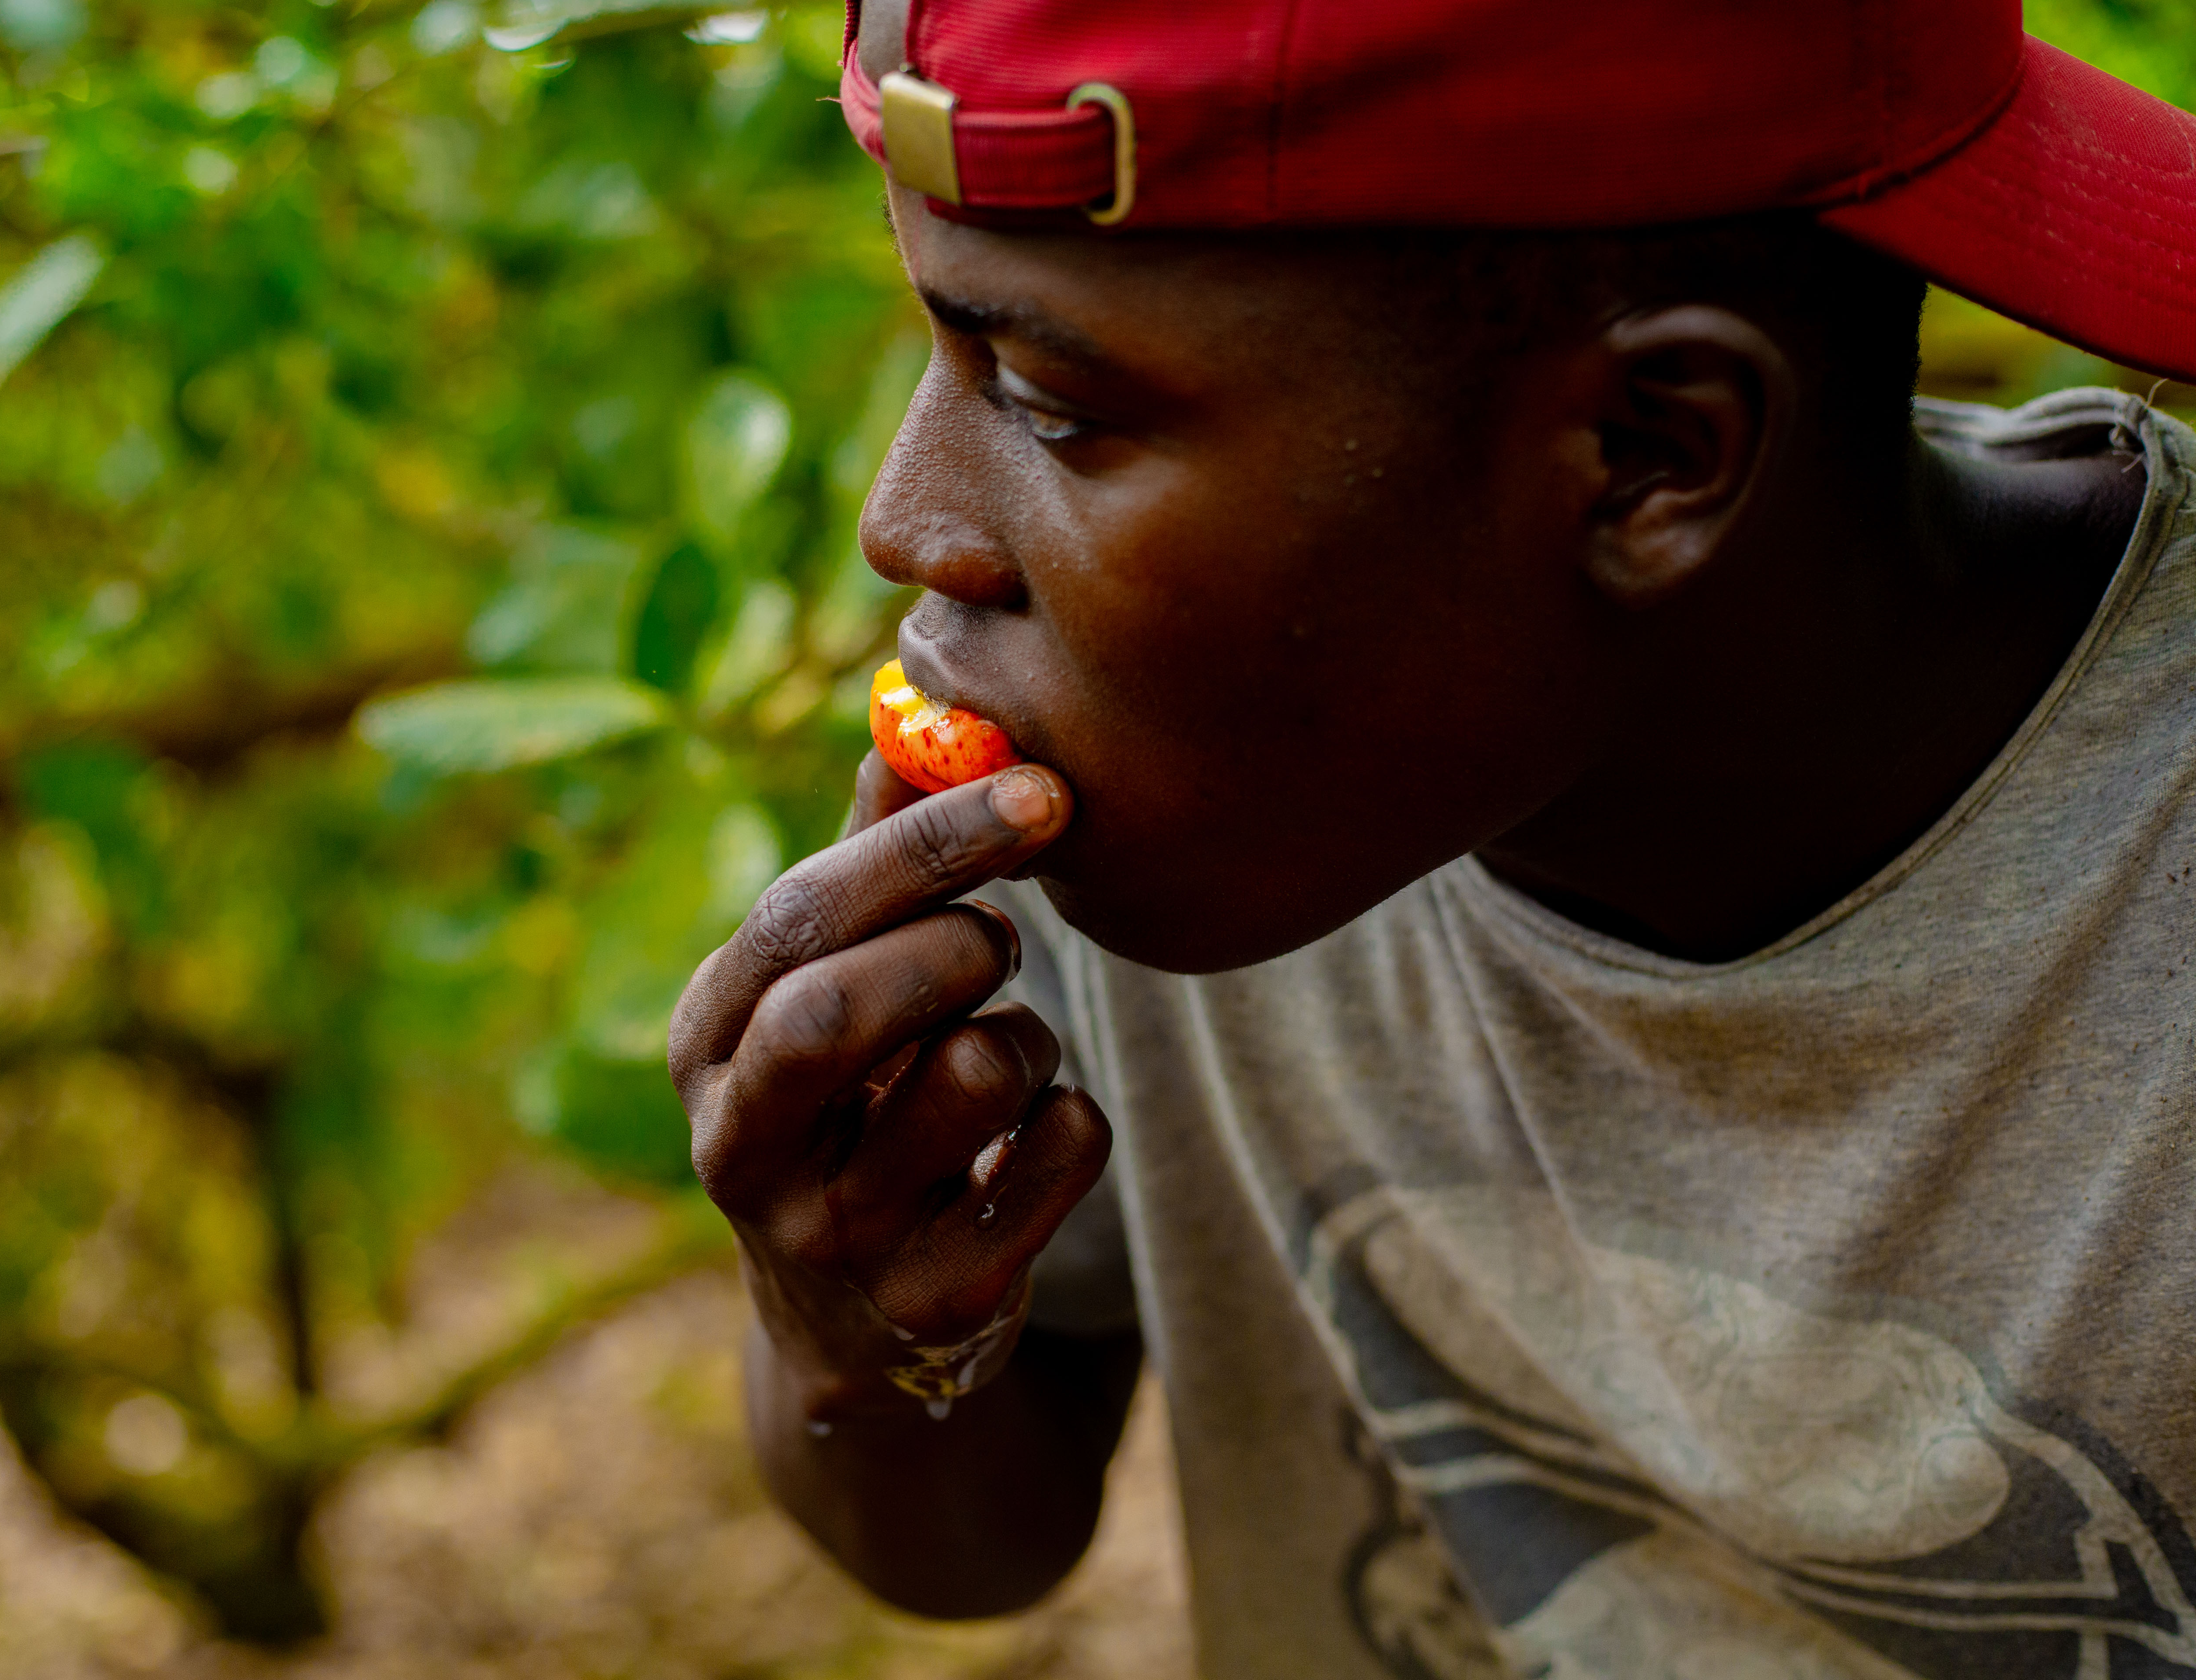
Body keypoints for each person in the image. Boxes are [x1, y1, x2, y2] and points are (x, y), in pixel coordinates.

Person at [666, 0, 2196, 1672]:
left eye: (1048, 401)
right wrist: (844, 1319)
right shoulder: (1212, 782)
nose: (902, 525)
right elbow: (981, 1543)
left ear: (1651, 454)